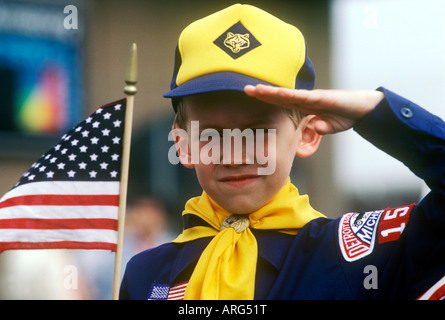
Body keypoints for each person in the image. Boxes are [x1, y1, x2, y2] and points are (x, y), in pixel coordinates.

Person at [119, 4, 445, 300]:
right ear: (183, 145)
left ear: (306, 134)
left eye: (258, 131)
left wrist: (377, 112)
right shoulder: (145, 273)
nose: (234, 155)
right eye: (211, 135)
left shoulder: (355, 256)